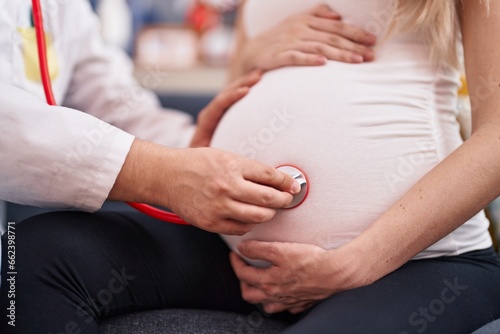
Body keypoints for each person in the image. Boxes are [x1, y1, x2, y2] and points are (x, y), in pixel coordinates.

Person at [0, 0, 371, 333]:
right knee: (26, 254)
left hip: (375, 255)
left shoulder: (59, 7)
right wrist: (164, 173)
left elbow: (118, 108)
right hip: (242, 251)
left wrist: (201, 152)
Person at [210, 1, 500, 333]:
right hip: (241, 254)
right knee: (134, 254)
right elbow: (238, 86)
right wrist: (252, 55)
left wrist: (346, 268)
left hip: (422, 262)